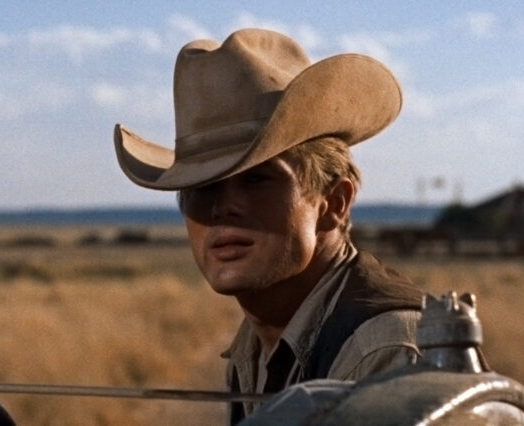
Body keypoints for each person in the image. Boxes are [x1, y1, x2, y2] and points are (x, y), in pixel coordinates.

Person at [113, 28, 424, 424]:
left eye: (257, 179)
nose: (222, 208)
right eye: (201, 187)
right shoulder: (256, 343)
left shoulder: (385, 348)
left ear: (333, 203)